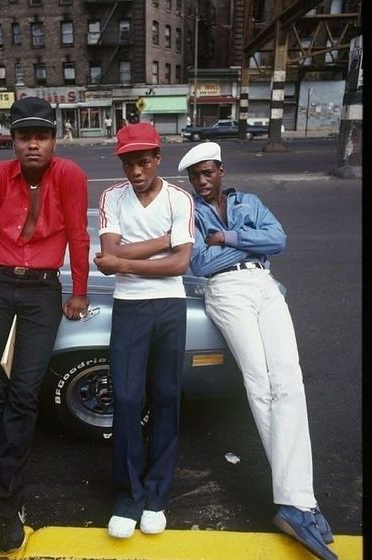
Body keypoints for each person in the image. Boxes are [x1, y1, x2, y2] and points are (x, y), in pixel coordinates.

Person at [177, 142, 337, 560]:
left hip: (265, 288)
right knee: (260, 385)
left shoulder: (250, 201)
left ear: (221, 170)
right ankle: (298, 502)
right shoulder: (190, 212)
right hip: (227, 291)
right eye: (195, 176)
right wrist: (251, 244)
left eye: (207, 172)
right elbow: (200, 263)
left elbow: (279, 240)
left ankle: (297, 501)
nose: (202, 181)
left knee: (290, 382)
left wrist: (228, 237)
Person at [0, 96, 90, 560]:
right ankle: (7, 509)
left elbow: (78, 234)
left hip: (41, 293)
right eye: (24, 136)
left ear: (54, 140)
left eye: (42, 136)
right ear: (12, 140)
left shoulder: (70, 176)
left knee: (23, 393)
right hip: (0, 285)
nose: (33, 145)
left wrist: (79, 292)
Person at [94, 123, 194, 539]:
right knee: (128, 397)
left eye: (143, 161)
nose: (136, 170)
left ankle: (156, 494)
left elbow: (180, 265)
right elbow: (107, 254)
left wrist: (126, 262)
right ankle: (129, 494)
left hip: (171, 305)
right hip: (130, 307)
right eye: (128, 162)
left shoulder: (179, 198)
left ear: (157, 158)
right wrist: (164, 240)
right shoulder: (110, 197)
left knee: (167, 396)